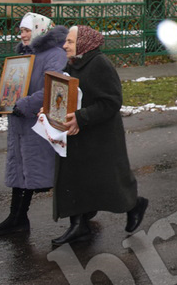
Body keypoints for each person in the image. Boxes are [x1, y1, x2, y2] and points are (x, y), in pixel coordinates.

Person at [51, 26, 149, 246]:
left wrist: (82, 117)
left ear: (84, 42)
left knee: (108, 182)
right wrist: (49, 110)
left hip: (100, 138)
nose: (64, 45)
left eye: (70, 41)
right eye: (66, 41)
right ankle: (78, 225)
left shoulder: (99, 64)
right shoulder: (74, 63)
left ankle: (135, 205)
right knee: (74, 179)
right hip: (76, 136)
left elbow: (111, 101)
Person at [0, 14, 67, 237]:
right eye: (21, 30)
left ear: (39, 29)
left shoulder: (55, 55)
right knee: (23, 172)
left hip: (40, 124)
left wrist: (21, 106)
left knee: (51, 173)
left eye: (26, 30)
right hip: (21, 125)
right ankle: (17, 218)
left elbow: (52, 88)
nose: (22, 34)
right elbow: (13, 90)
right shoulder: (25, 55)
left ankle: (85, 212)